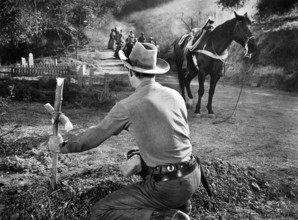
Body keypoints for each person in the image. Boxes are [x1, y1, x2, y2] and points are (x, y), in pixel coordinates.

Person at [48, 41, 201, 220]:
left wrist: (63, 146)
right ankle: (182, 204)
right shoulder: (175, 95)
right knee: (134, 154)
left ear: (130, 71)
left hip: (168, 186)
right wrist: (142, 160)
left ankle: (165, 216)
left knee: (100, 212)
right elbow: (177, 138)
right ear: (154, 72)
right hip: (193, 174)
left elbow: (95, 136)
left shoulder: (128, 106)